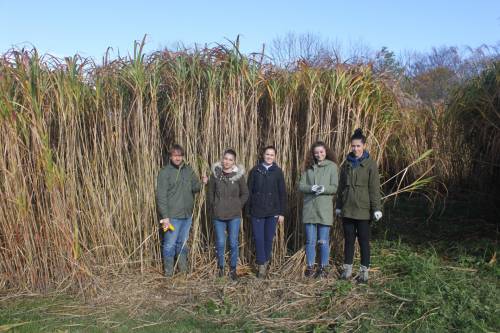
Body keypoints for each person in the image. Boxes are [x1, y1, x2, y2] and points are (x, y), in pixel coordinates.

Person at [336, 128, 382, 283]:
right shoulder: (347, 164)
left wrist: (376, 208)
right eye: (353, 146)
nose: (355, 149)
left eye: (358, 146)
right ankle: (347, 270)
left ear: (364, 146)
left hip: (363, 210)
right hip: (348, 208)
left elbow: (374, 188)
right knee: (348, 240)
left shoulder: (370, 164)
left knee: (363, 240)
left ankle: (364, 272)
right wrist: (339, 205)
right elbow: (341, 187)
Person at [156, 144, 208, 277]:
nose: (177, 158)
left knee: (183, 243)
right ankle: (168, 273)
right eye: (175, 155)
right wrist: (165, 217)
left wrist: (202, 182)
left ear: (182, 156)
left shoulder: (188, 170)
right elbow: (161, 196)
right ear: (170, 156)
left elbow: (195, 188)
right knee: (170, 244)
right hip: (172, 216)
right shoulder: (165, 172)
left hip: (187, 215)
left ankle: (183, 270)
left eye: (180, 155)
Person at [299, 141, 339, 278]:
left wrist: (323, 189)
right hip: (310, 208)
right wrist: (311, 188)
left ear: (326, 152)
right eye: (316, 152)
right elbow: (301, 185)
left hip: (324, 209)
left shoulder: (332, 167)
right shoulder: (309, 167)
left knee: (323, 241)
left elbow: (334, 187)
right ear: (313, 154)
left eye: (321, 151)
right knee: (310, 241)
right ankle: (310, 266)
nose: (319, 154)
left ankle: (323, 267)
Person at [208, 149, 249, 280]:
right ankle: (221, 267)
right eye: (225, 158)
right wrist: (215, 205)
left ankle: (232, 269)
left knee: (233, 242)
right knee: (220, 242)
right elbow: (210, 193)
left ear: (234, 162)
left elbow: (245, 193)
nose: (227, 161)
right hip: (218, 214)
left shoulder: (238, 176)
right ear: (222, 159)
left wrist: (238, 205)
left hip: (234, 215)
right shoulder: (215, 175)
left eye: (230, 159)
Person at [247, 146, 287, 278]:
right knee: (258, 238)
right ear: (263, 155)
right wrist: (249, 211)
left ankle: (265, 262)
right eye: (267, 154)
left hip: (272, 211)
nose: (269, 157)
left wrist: (281, 213)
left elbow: (282, 194)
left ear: (275, 157)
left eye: (272, 155)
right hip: (257, 211)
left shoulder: (278, 172)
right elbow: (249, 192)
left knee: (268, 239)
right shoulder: (255, 170)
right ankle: (261, 265)